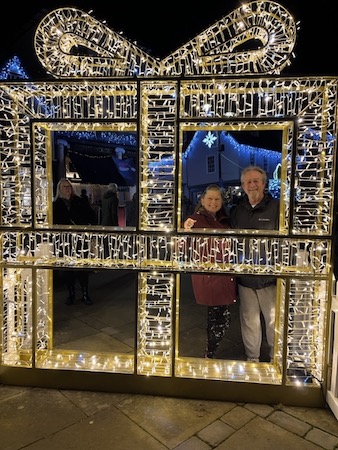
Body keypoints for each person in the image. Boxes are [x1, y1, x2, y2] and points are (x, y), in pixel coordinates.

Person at [230, 165, 279, 363]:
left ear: (264, 183)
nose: (252, 185)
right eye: (248, 182)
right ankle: (253, 359)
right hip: (245, 279)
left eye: (256, 181)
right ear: (243, 186)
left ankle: (276, 358)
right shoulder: (236, 211)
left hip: (270, 279)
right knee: (249, 322)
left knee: (274, 322)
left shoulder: (277, 208)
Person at [183, 184, 237, 358]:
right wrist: (184, 232)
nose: (213, 202)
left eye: (217, 199)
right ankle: (210, 352)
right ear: (202, 200)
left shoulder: (223, 219)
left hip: (224, 275)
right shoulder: (195, 220)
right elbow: (183, 247)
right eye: (210, 199)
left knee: (218, 316)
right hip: (210, 276)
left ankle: (210, 350)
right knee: (220, 317)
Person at [53, 178, 97, 305]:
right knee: (68, 269)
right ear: (59, 189)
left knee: (82, 267)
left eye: (69, 187)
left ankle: (85, 293)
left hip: (80, 239)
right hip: (64, 240)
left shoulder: (80, 202)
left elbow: (91, 216)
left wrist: (88, 230)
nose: (67, 189)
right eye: (64, 187)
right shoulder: (56, 205)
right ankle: (71, 293)